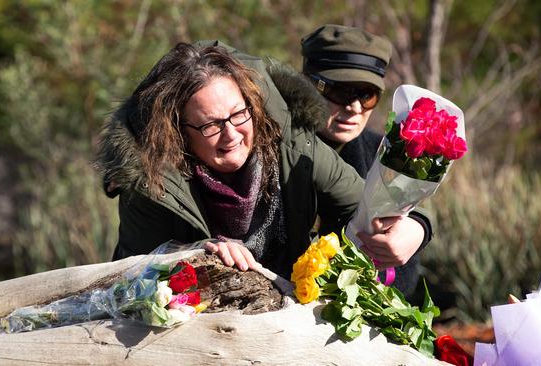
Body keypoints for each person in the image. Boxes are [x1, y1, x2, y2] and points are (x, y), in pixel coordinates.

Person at [97, 41, 431, 281]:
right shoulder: (152, 180)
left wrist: (415, 227)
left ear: (252, 106)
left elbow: (366, 203)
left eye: (239, 115)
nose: (232, 135)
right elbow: (133, 273)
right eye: (211, 125)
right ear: (178, 133)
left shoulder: (292, 142)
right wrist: (199, 254)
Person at [300, 24, 431, 297]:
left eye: (366, 95)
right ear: (309, 85)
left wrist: (418, 229)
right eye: (341, 92)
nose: (355, 108)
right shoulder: (269, 145)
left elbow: (417, 210)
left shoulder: (382, 151)